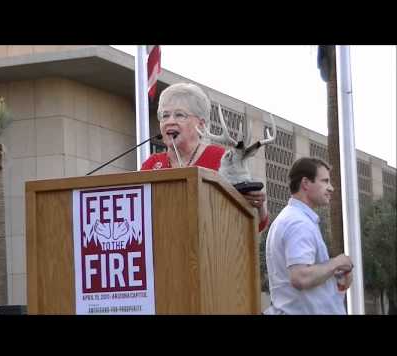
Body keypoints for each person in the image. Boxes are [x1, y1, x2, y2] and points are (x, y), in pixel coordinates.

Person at [141, 82, 269, 232]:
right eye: (165, 115)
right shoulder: (152, 164)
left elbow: (256, 224)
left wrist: (259, 206)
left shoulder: (222, 159)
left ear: (201, 124)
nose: (170, 121)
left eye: (179, 115)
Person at [264, 157, 353, 315]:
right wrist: (337, 263)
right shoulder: (298, 223)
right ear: (305, 183)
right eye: (325, 181)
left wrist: (335, 279)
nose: (331, 188)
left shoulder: (292, 219)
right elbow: (300, 278)